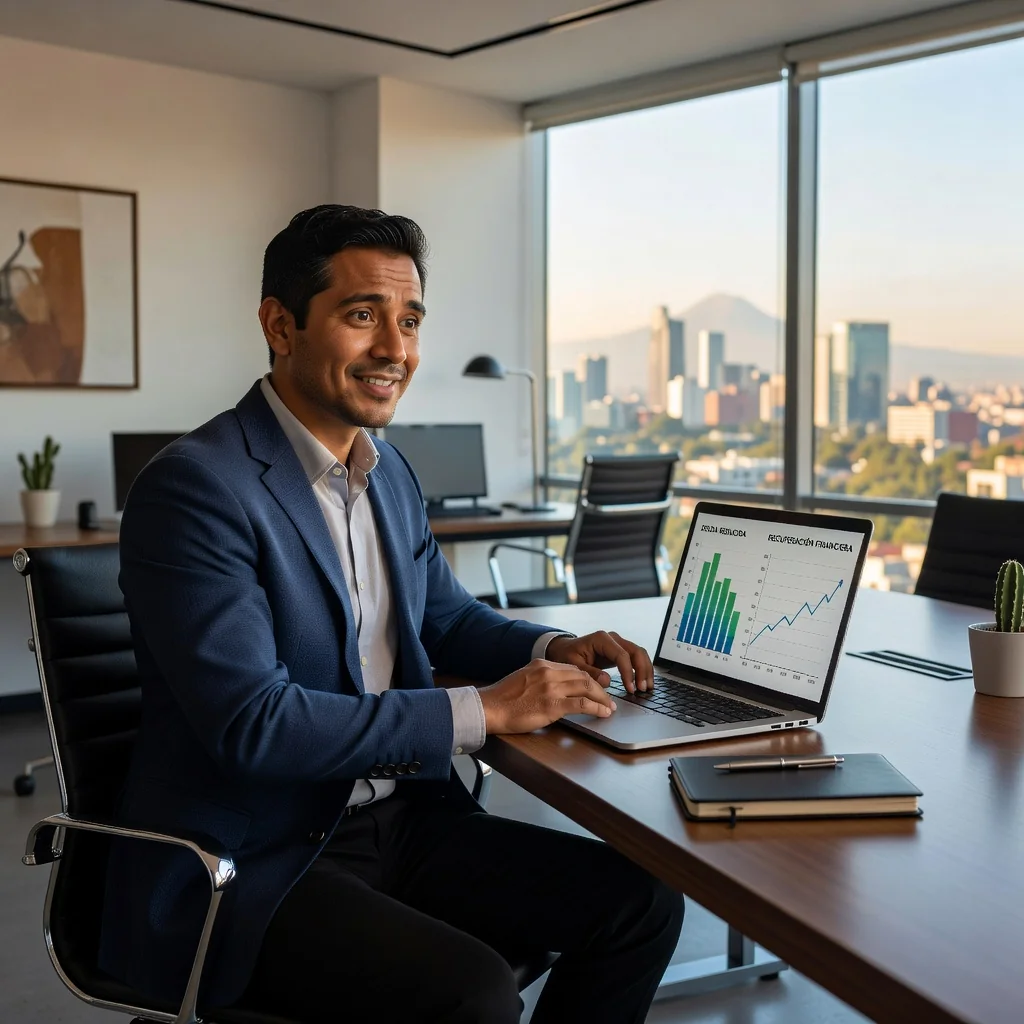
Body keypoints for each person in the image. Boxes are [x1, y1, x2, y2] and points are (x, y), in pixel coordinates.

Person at [99, 205, 684, 1024]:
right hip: (255, 860)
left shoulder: (386, 470)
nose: (395, 350)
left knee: (641, 906)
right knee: (472, 995)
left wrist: (556, 645)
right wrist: (481, 711)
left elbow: (442, 617)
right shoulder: (196, 487)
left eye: (409, 320)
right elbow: (254, 725)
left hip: (402, 819)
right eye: (362, 314)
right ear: (280, 324)